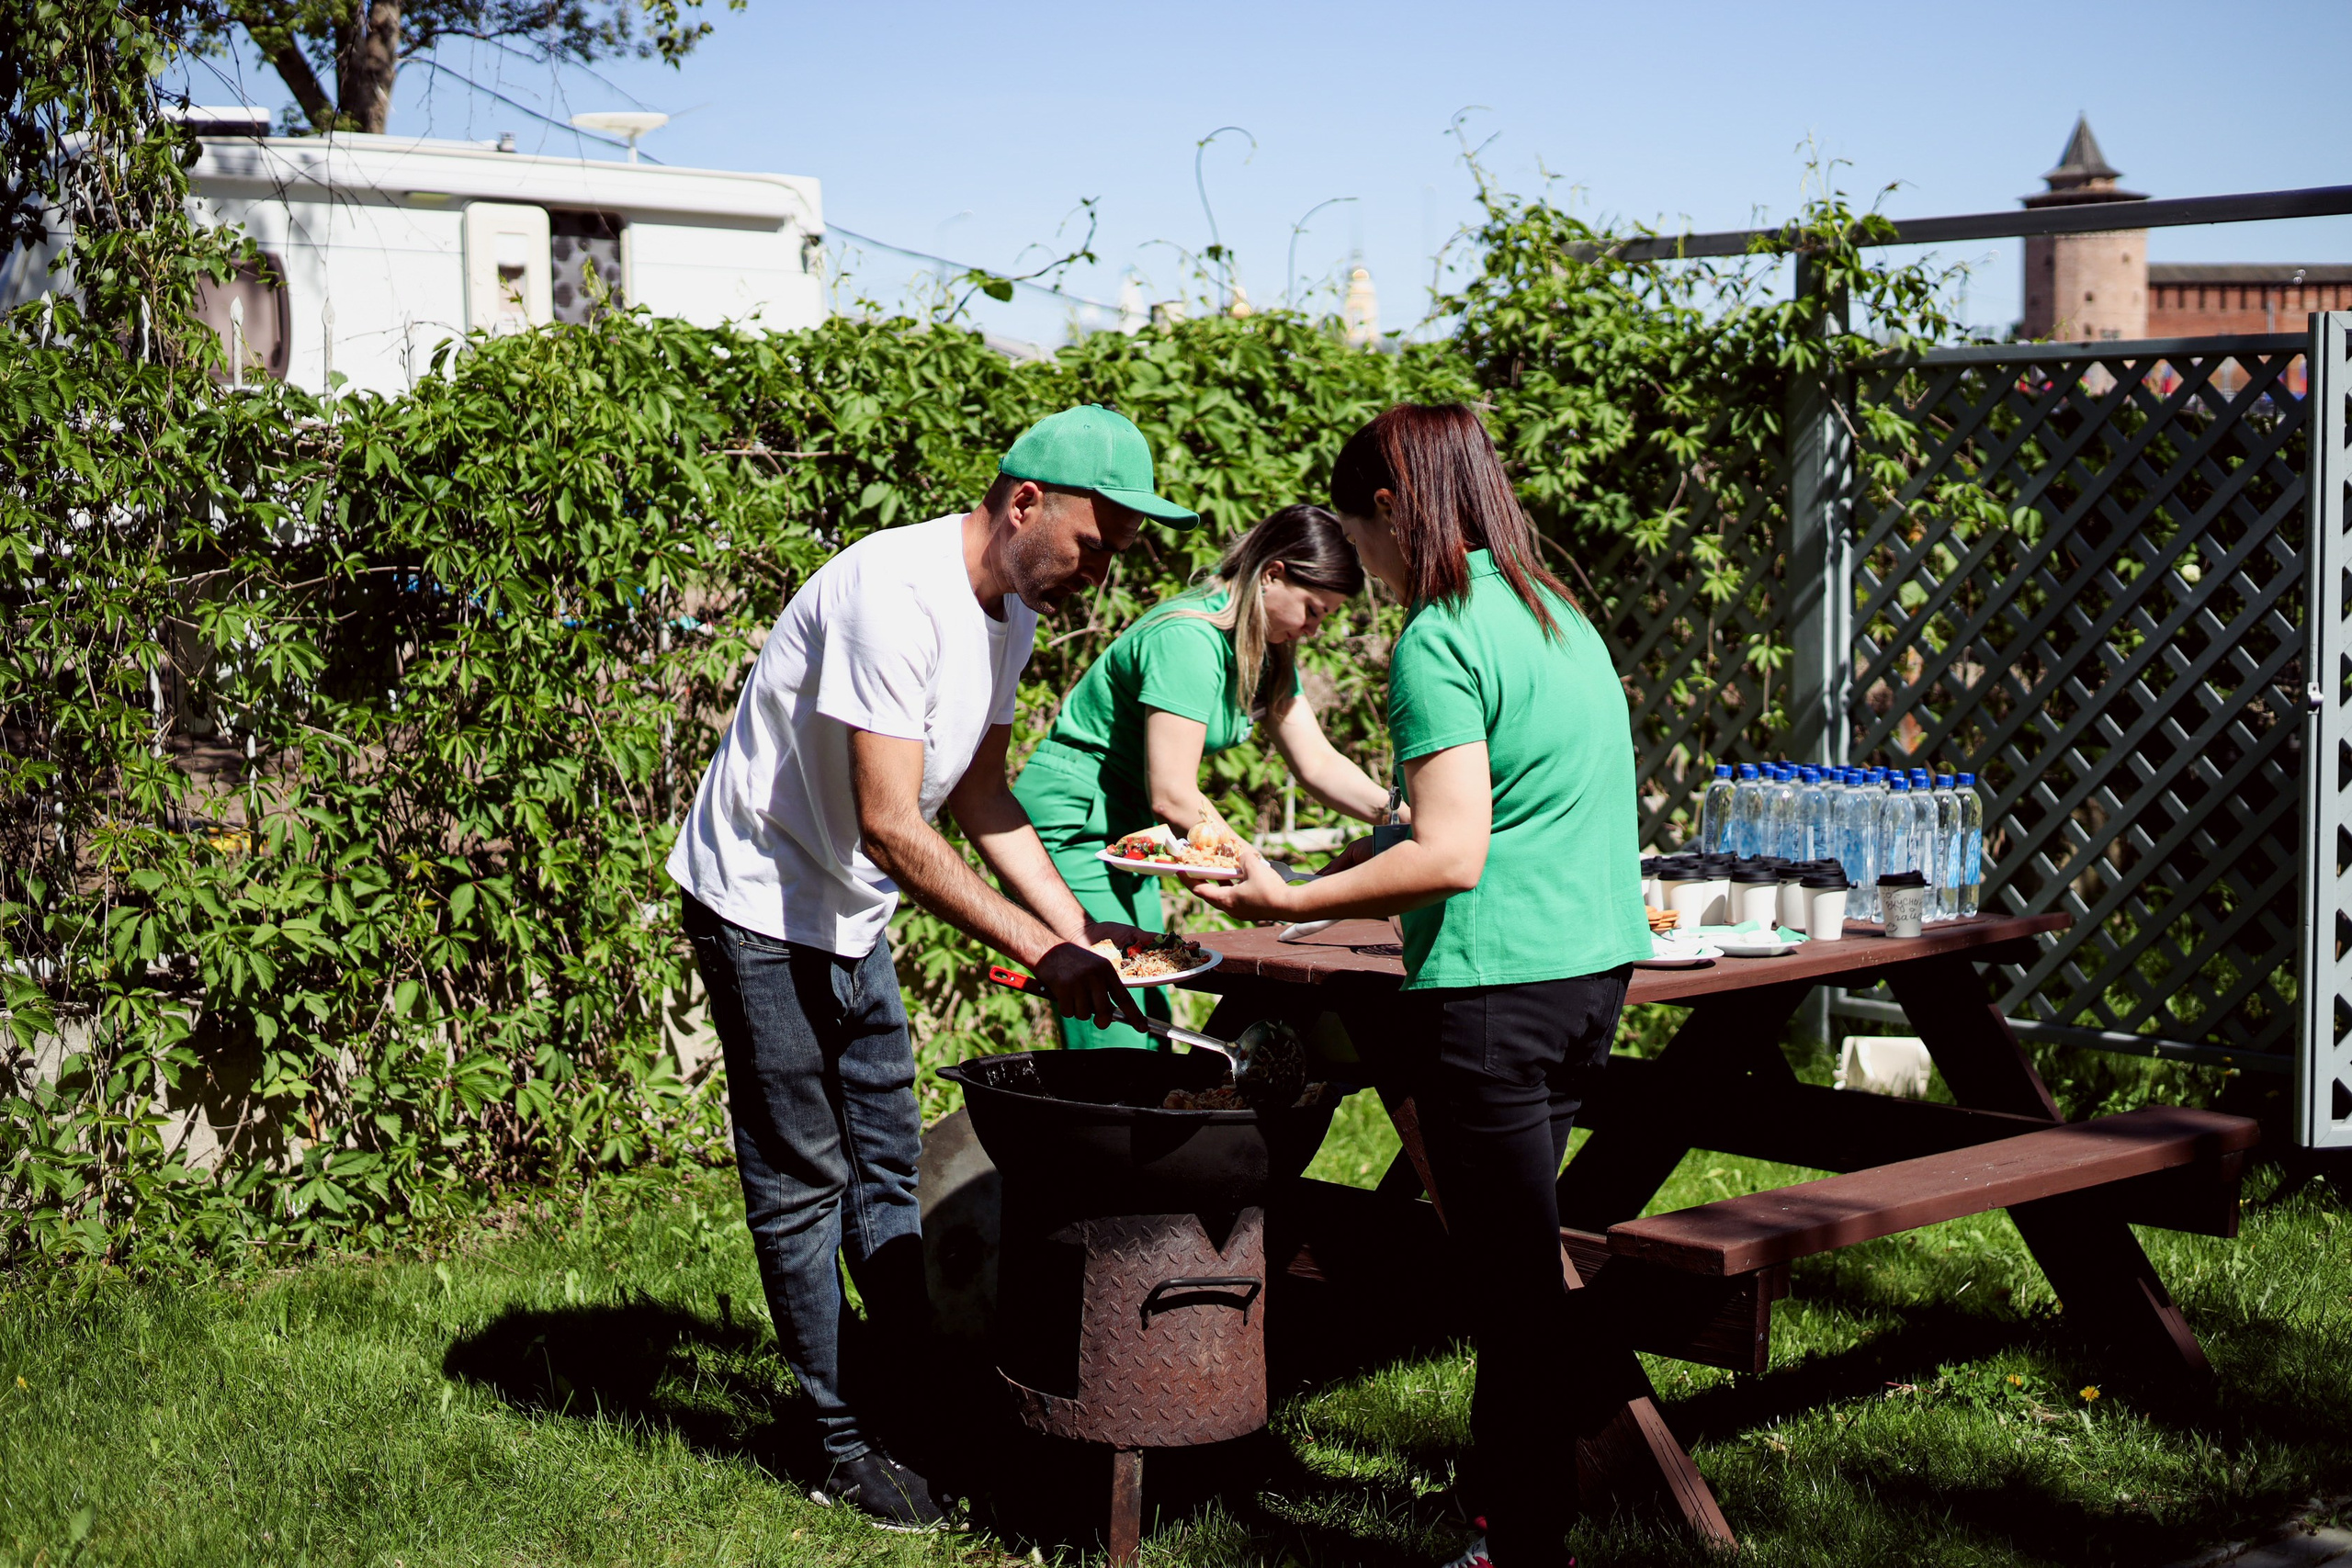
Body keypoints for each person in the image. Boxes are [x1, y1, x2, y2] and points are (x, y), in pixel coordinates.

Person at [666, 404, 1197, 1529]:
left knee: (886, 1165)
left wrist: (1087, 932)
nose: (1097, 576)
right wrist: (1041, 948)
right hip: (761, 900)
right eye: (1092, 546)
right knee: (804, 1179)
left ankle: (911, 1400)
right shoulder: (889, 594)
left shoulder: (1006, 614)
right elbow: (892, 826)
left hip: (848, 911)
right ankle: (837, 1439)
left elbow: (981, 793)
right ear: (1023, 504)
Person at [1194, 403, 1650, 1568]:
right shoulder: (1560, 619)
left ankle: (1516, 1538)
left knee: (1508, 1293)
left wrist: (1284, 899)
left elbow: (1449, 852)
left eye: (1361, 527)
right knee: (1519, 1268)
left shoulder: (1441, 639)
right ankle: (1517, 1513)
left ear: (1392, 509)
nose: (1366, 558)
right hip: (1592, 980)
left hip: (1496, 994)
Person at [1012, 503, 1396, 1048]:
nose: (1314, 629)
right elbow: (1173, 795)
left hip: (1125, 827)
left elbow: (1317, 763)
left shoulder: (1264, 652)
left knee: (1150, 998)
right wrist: (1261, 872)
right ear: (1273, 574)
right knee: (1110, 1011)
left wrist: (1401, 815)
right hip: (1071, 819)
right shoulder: (1189, 639)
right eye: (1313, 610)